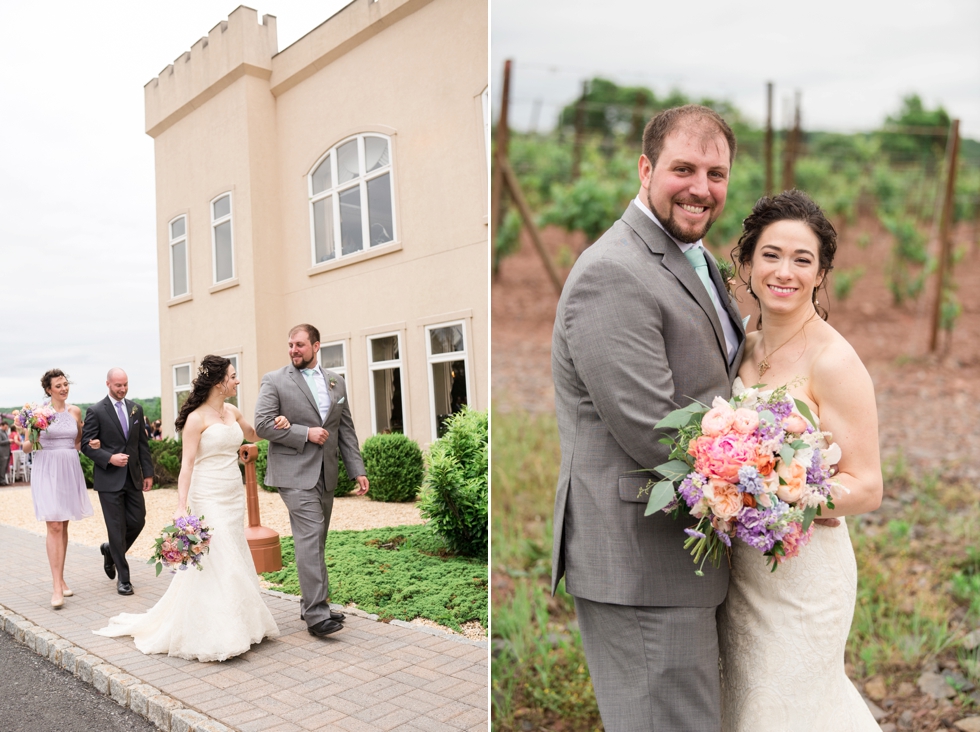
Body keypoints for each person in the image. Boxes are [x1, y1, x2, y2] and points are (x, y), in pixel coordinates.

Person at [551, 105, 746, 731]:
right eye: (683, 168)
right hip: (642, 559)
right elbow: (656, 430)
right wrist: (767, 485)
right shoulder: (613, 272)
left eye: (716, 173)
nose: (701, 188)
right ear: (645, 168)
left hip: (682, 552)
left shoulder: (698, 260)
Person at [717, 190, 882, 731]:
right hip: (743, 577)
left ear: (821, 273)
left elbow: (867, 486)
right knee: (743, 707)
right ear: (747, 263)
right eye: (770, 255)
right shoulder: (744, 342)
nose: (784, 271)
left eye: (802, 259)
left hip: (804, 577)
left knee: (789, 709)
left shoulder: (834, 360)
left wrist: (785, 494)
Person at [96, 355, 284, 661]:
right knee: (220, 555)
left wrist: (277, 422)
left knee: (233, 551)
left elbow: (253, 434)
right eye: (233, 376)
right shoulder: (196, 419)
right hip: (207, 493)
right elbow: (187, 467)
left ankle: (244, 623)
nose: (237, 381)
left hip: (232, 493)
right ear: (219, 381)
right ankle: (222, 631)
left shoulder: (232, 411)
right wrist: (181, 506)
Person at [254, 324, 369, 638]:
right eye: (290, 345)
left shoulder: (336, 382)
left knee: (316, 540)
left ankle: (314, 604)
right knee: (309, 535)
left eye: (300, 345)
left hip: (326, 473)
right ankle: (318, 617)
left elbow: (345, 429)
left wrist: (357, 469)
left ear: (316, 346)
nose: (294, 350)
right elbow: (262, 425)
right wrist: (305, 433)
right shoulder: (275, 380)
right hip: (293, 473)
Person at [22, 370, 94, 608]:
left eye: (65, 384)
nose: (64, 388)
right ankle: (56, 587)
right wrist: (33, 432)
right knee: (53, 524)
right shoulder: (37, 413)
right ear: (48, 390)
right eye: (58, 385)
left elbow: (77, 442)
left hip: (69, 469)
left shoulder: (74, 411)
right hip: (47, 468)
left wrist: (91, 444)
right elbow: (25, 447)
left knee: (63, 524)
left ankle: (61, 578)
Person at [81, 368, 154, 596]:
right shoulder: (95, 411)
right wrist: (109, 458)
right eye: (117, 385)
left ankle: (111, 552)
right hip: (108, 480)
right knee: (116, 528)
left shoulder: (136, 408)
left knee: (138, 520)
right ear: (108, 384)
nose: (122, 389)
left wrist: (148, 473)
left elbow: (142, 444)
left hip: (133, 477)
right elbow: (86, 445)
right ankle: (124, 579)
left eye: (125, 385)